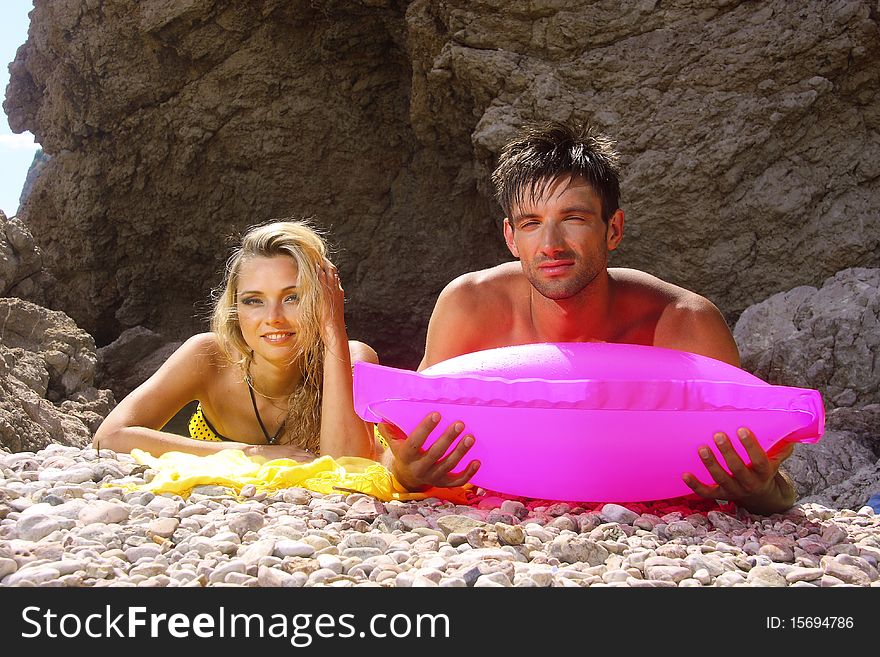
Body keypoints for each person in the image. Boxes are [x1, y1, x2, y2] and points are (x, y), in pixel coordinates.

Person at [381, 121, 797, 515]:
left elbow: (770, 485)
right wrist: (407, 474)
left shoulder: (685, 326)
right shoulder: (469, 307)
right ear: (510, 237)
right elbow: (403, 453)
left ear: (612, 229)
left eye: (573, 219)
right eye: (532, 224)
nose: (551, 245)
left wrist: (760, 491)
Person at [93, 219, 379, 460]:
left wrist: (333, 329)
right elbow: (108, 438)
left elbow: (349, 468)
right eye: (254, 301)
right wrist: (249, 453)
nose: (274, 317)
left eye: (293, 297)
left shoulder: (352, 359)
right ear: (235, 309)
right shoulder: (208, 355)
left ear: (324, 300)